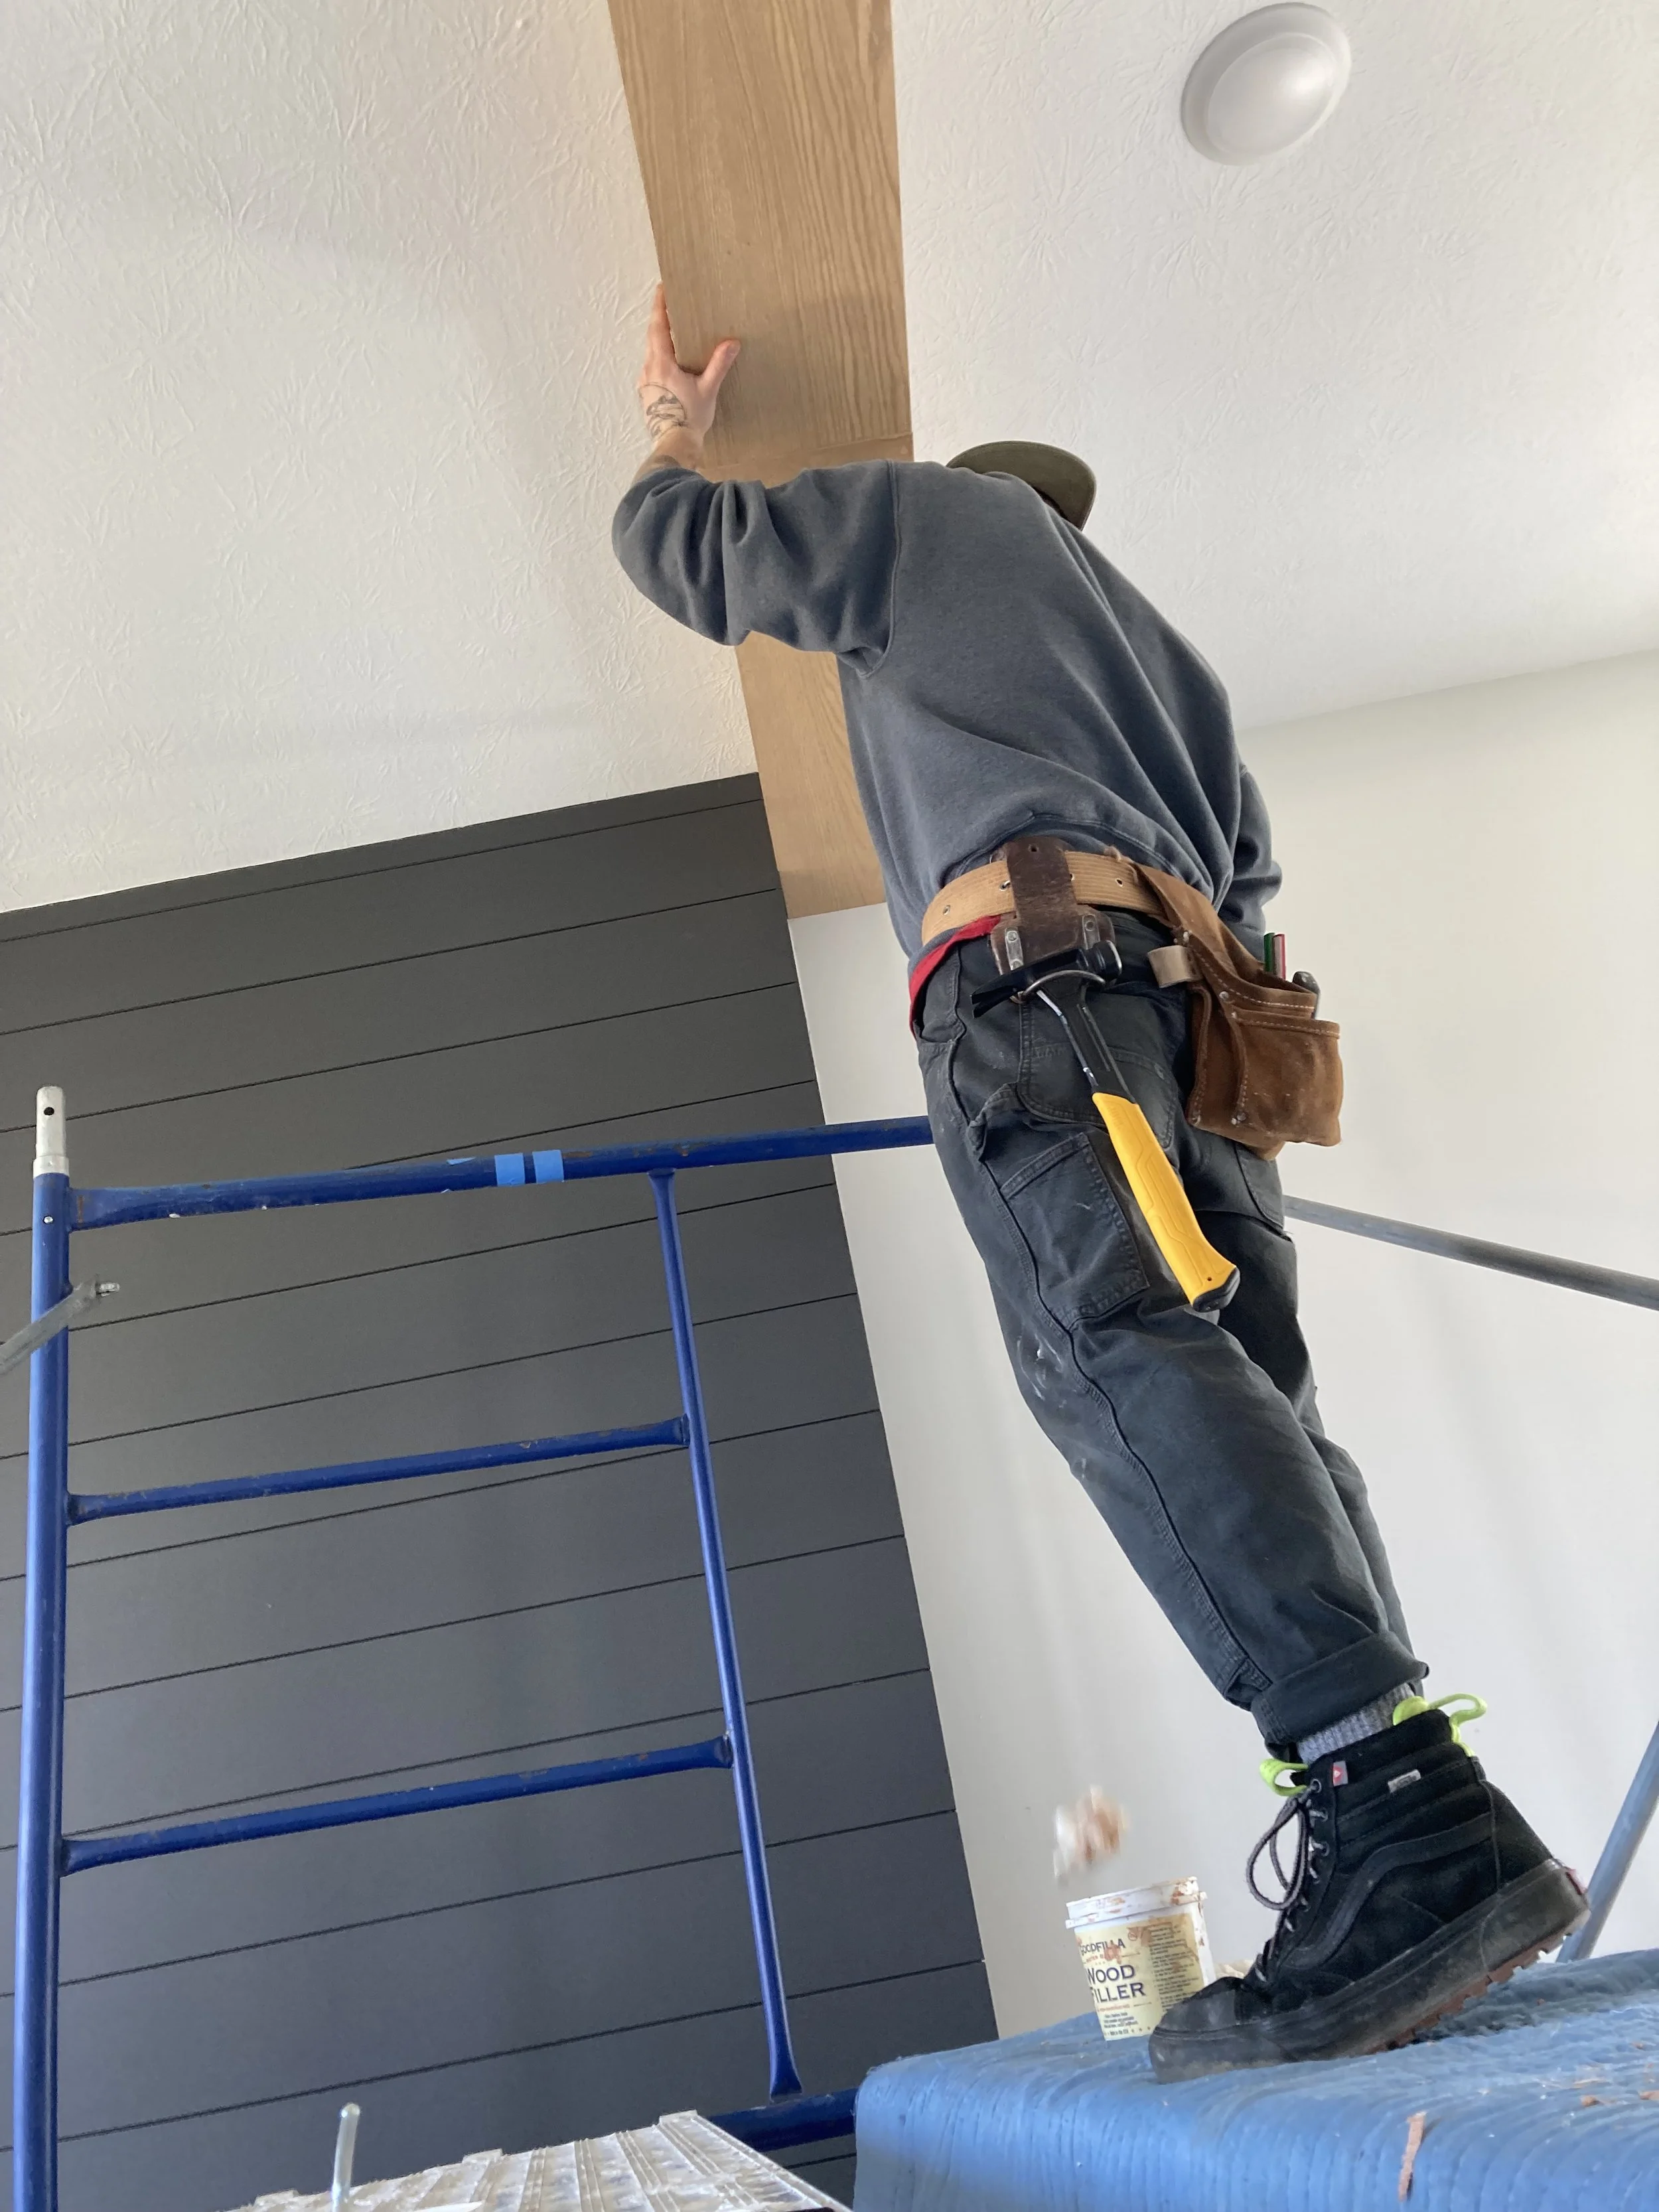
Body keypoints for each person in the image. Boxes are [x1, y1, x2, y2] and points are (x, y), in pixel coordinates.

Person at [611, 285, 1583, 2077]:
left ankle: (1398, 1806)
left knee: (1109, 1350)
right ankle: (1397, 1782)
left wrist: (673, 432)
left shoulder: (923, 523)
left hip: (1038, 1001)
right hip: (1199, 1041)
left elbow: (676, 553)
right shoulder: (1168, 665)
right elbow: (1259, 896)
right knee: (1247, 1387)